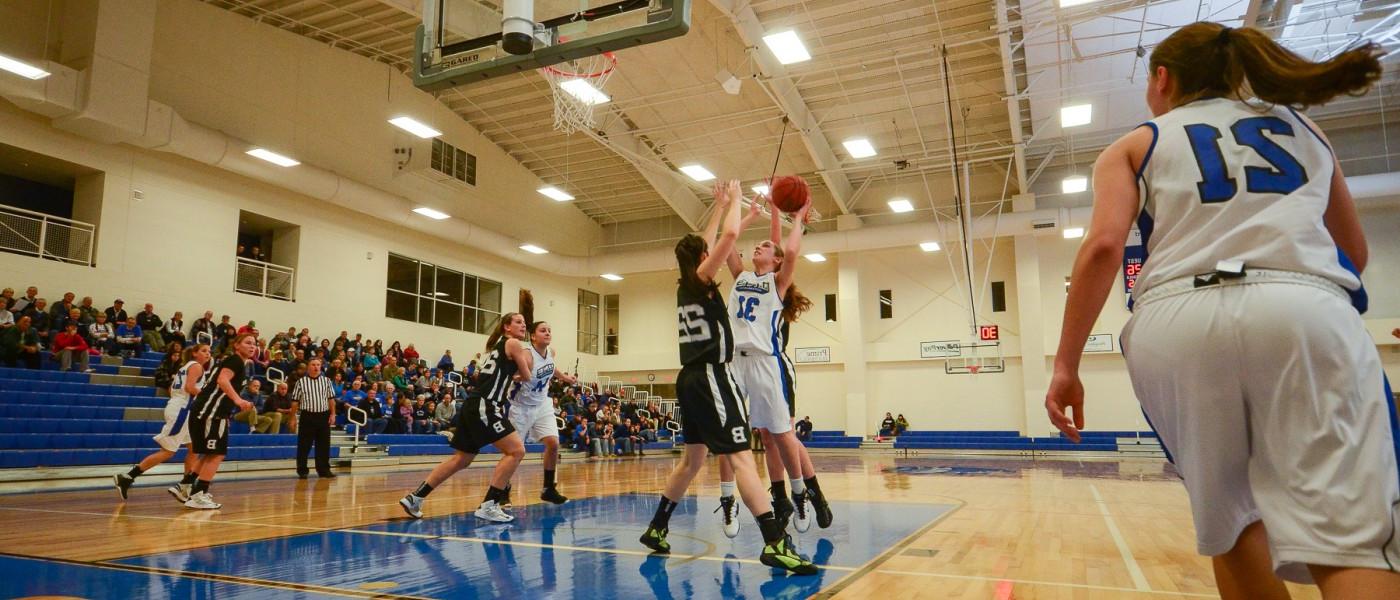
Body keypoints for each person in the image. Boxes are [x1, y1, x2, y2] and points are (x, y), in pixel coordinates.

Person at [1043, 23, 1397, 600]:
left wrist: (1066, 364)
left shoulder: (1135, 143)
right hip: (1303, 304)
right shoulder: (1304, 129)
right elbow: (1354, 253)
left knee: (1232, 525)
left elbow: (1104, 247)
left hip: (1177, 318)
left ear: (1163, 77)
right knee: (1352, 540)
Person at [638, 179, 814, 574]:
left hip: (687, 380)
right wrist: (734, 202)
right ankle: (774, 541)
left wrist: (726, 209)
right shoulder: (702, 280)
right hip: (713, 377)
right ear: (704, 258)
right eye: (711, 249)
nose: (722, 247)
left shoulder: (687, 284)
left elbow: (713, 238)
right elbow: (729, 236)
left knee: (691, 461)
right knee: (741, 459)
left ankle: (657, 527)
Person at [716, 186, 829, 534]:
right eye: (759, 244)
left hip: (767, 362)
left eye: (765, 246)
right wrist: (738, 209)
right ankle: (728, 501)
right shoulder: (741, 276)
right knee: (727, 435)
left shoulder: (778, 283)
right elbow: (728, 242)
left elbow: (789, 250)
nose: (759, 246)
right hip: (734, 361)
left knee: (782, 435)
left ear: (776, 260)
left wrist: (797, 217)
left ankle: (800, 495)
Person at [399, 310, 534, 524]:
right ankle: (489, 505)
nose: (523, 325)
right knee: (516, 450)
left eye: (525, 323)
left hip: (473, 404)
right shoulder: (515, 344)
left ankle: (416, 497)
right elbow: (527, 375)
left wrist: (513, 373)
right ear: (507, 327)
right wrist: (526, 361)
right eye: (518, 322)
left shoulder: (499, 346)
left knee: (461, 459)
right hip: (486, 405)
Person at [113, 343, 212, 503]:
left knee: (194, 448)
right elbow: (190, 388)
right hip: (182, 410)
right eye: (204, 351)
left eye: (209, 351)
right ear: (194, 353)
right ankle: (128, 477)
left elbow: (172, 389)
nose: (208, 354)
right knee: (168, 451)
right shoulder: (196, 367)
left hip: (181, 407)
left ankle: (186, 486)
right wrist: (209, 397)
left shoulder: (184, 367)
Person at [506, 320, 578, 504]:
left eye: (549, 330)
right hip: (522, 407)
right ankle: (502, 488)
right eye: (543, 330)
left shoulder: (551, 352)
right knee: (514, 452)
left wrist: (565, 378)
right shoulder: (526, 355)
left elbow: (551, 368)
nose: (547, 333)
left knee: (553, 444)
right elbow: (511, 374)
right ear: (533, 336)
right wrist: (517, 377)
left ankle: (548, 489)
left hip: (542, 404)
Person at [184, 333, 258, 509]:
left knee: (211, 453)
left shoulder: (238, 362)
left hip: (213, 412)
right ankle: (197, 494)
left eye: (254, 344)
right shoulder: (235, 360)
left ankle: (186, 486)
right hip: (210, 413)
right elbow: (222, 380)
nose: (252, 346)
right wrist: (238, 401)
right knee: (216, 454)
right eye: (248, 343)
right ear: (236, 345)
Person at [291, 358, 337, 479]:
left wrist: (333, 414)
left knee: (324, 445)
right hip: (307, 416)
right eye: (313, 365)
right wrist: (292, 418)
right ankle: (302, 470)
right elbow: (295, 402)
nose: (316, 367)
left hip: (323, 416)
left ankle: (324, 470)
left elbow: (331, 399)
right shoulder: (301, 382)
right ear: (308, 367)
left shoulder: (326, 381)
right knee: (304, 445)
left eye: (318, 365)